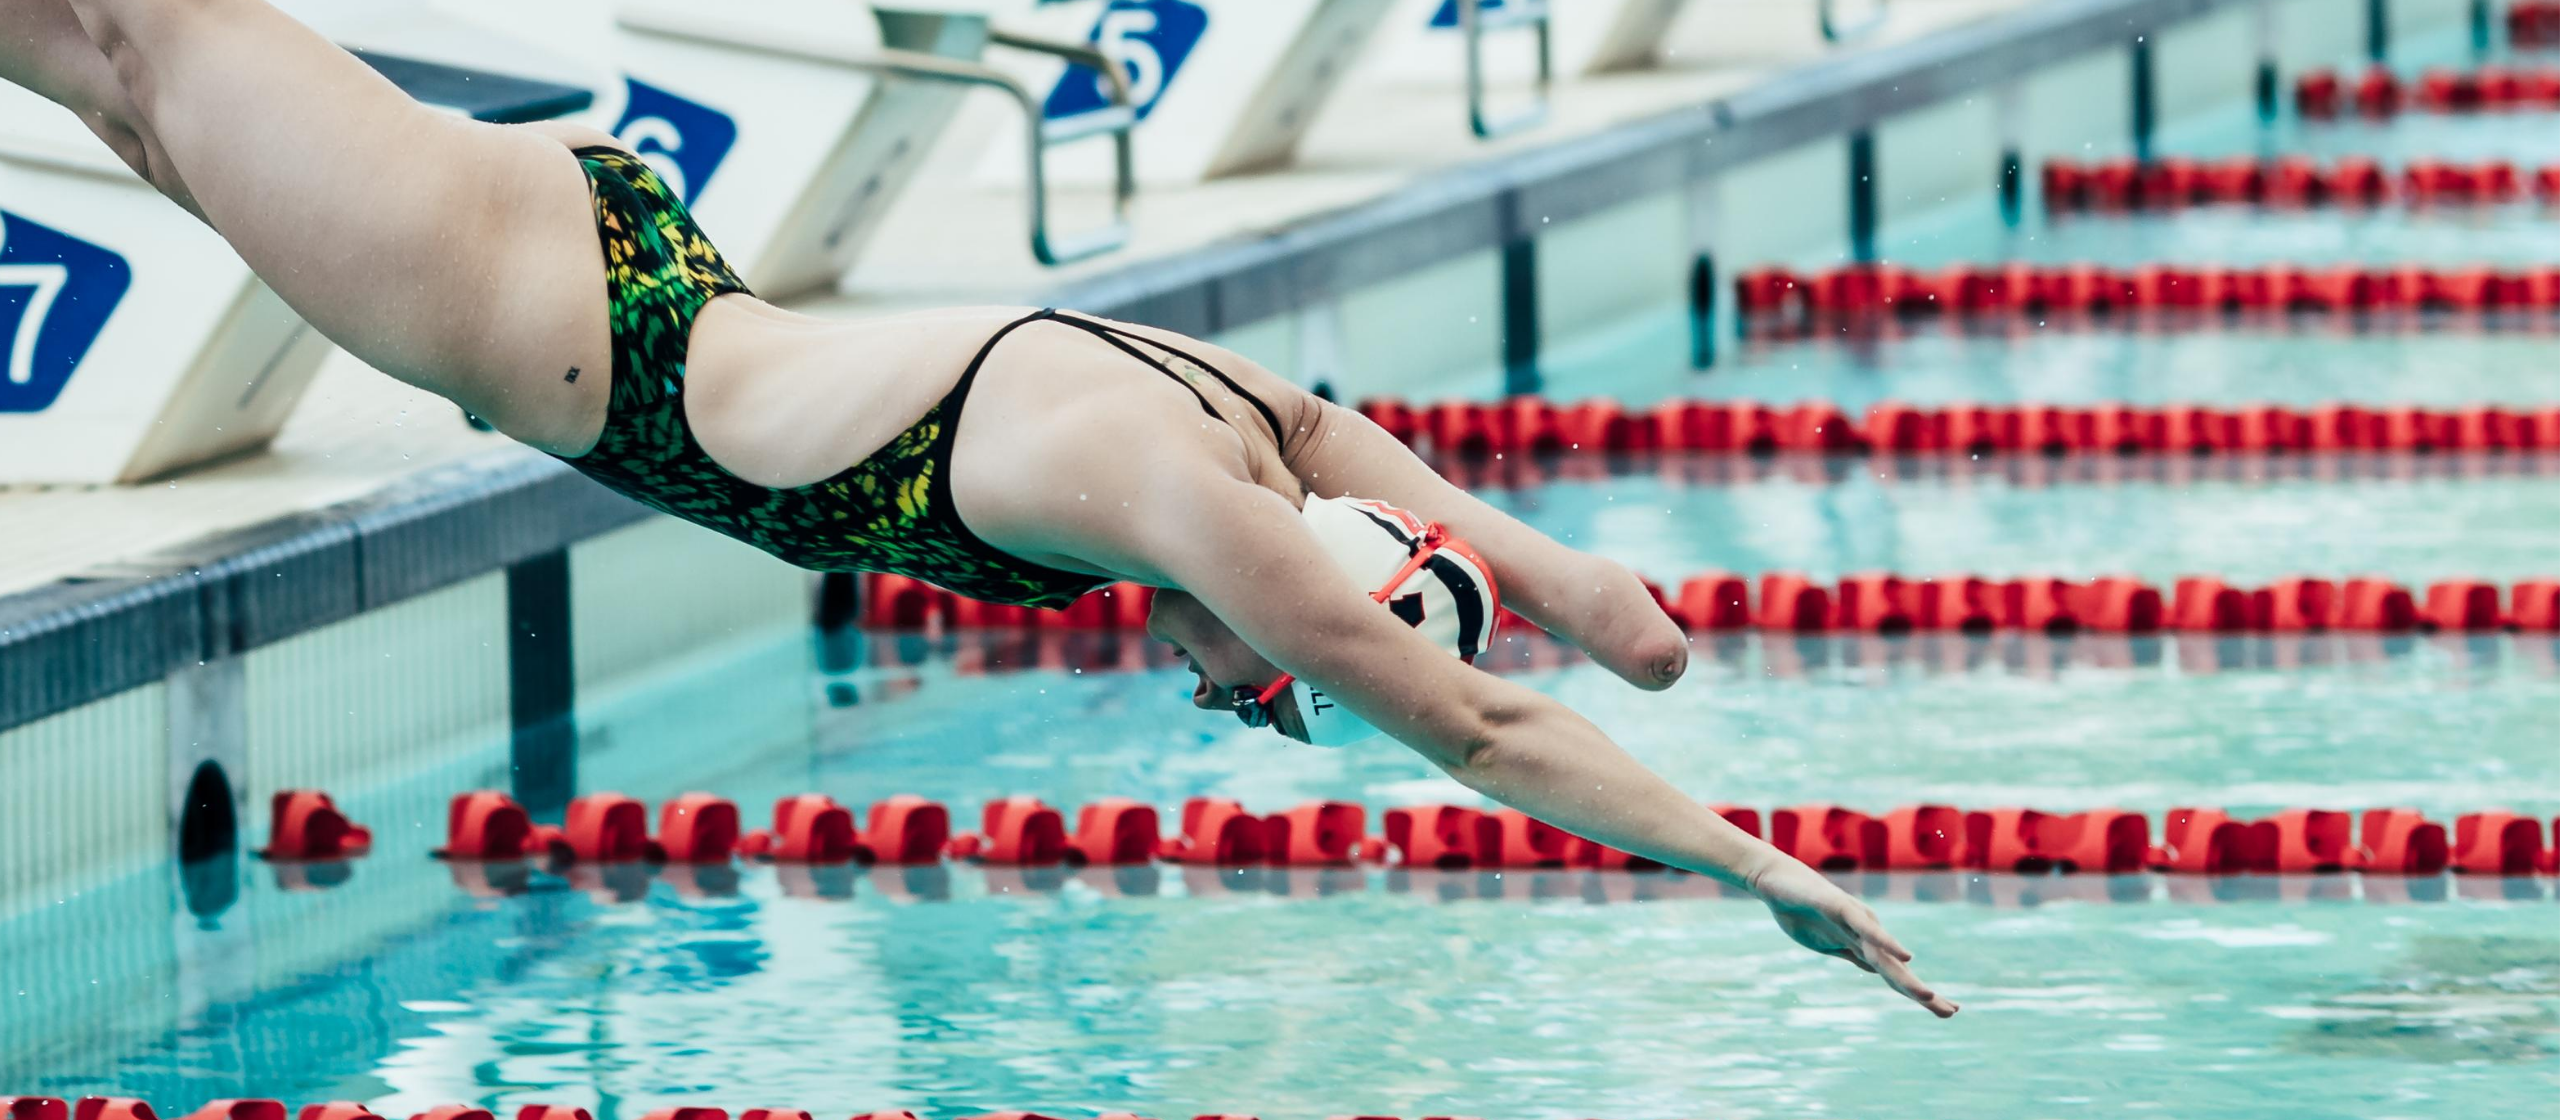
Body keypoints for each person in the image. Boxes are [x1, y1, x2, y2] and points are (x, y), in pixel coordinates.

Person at [3, 0, 1954, 1016]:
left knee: (118, 90)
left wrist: (1616, 627)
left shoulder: (1271, 429)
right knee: (138, 45)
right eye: (1275, 683)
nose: (1232, 693)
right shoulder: (1201, 500)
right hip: (537, 307)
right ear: (1308, 600)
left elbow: (1591, 617)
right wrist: (1755, 868)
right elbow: (1480, 716)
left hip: (598, 270)